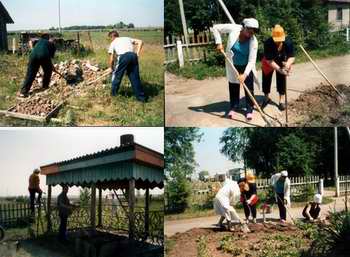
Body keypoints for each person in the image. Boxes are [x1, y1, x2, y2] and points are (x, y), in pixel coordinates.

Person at [212, 18, 260, 121]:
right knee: (233, 85)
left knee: (249, 88)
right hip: (233, 64)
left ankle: (249, 109)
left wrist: (244, 74)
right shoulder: (234, 29)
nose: (251, 34)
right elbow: (216, 28)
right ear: (244, 27)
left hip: (246, 66)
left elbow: (252, 61)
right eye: (249, 31)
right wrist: (218, 42)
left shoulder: (253, 41)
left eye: (254, 32)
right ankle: (234, 106)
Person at [261, 25, 295, 110]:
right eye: (277, 40)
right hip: (269, 62)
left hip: (282, 61)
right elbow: (269, 61)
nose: (278, 42)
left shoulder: (288, 42)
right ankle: (266, 98)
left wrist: (287, 64)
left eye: (280, 40)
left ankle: (281, 101)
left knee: (281, 79)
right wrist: (279, 70)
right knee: (266, 78)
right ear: (273, 37)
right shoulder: (268, 43)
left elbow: (292, 56)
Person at [107, 31, 146, 102]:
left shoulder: (113, 43)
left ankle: (113, 96)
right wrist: (137, 54)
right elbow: (140, 42)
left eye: (110, 38)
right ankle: (141, 99)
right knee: (135, 77)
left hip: (123, 57)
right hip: (133, 56)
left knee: (117, 76)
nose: (111, 40)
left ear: (112, 37)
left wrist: (111, 68)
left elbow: (111, 59)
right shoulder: (127, 38)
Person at [19, 33, 56, 98]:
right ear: (49, 38)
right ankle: (45, 86)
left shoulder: (39, 42)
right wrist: (51, 66)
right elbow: (49, 58)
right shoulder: (52, 44)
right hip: (44, 55)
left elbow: (33, 46)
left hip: (33, 56)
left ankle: (23, 92)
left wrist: (51, 65)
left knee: (30, 73)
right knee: (48, 71)